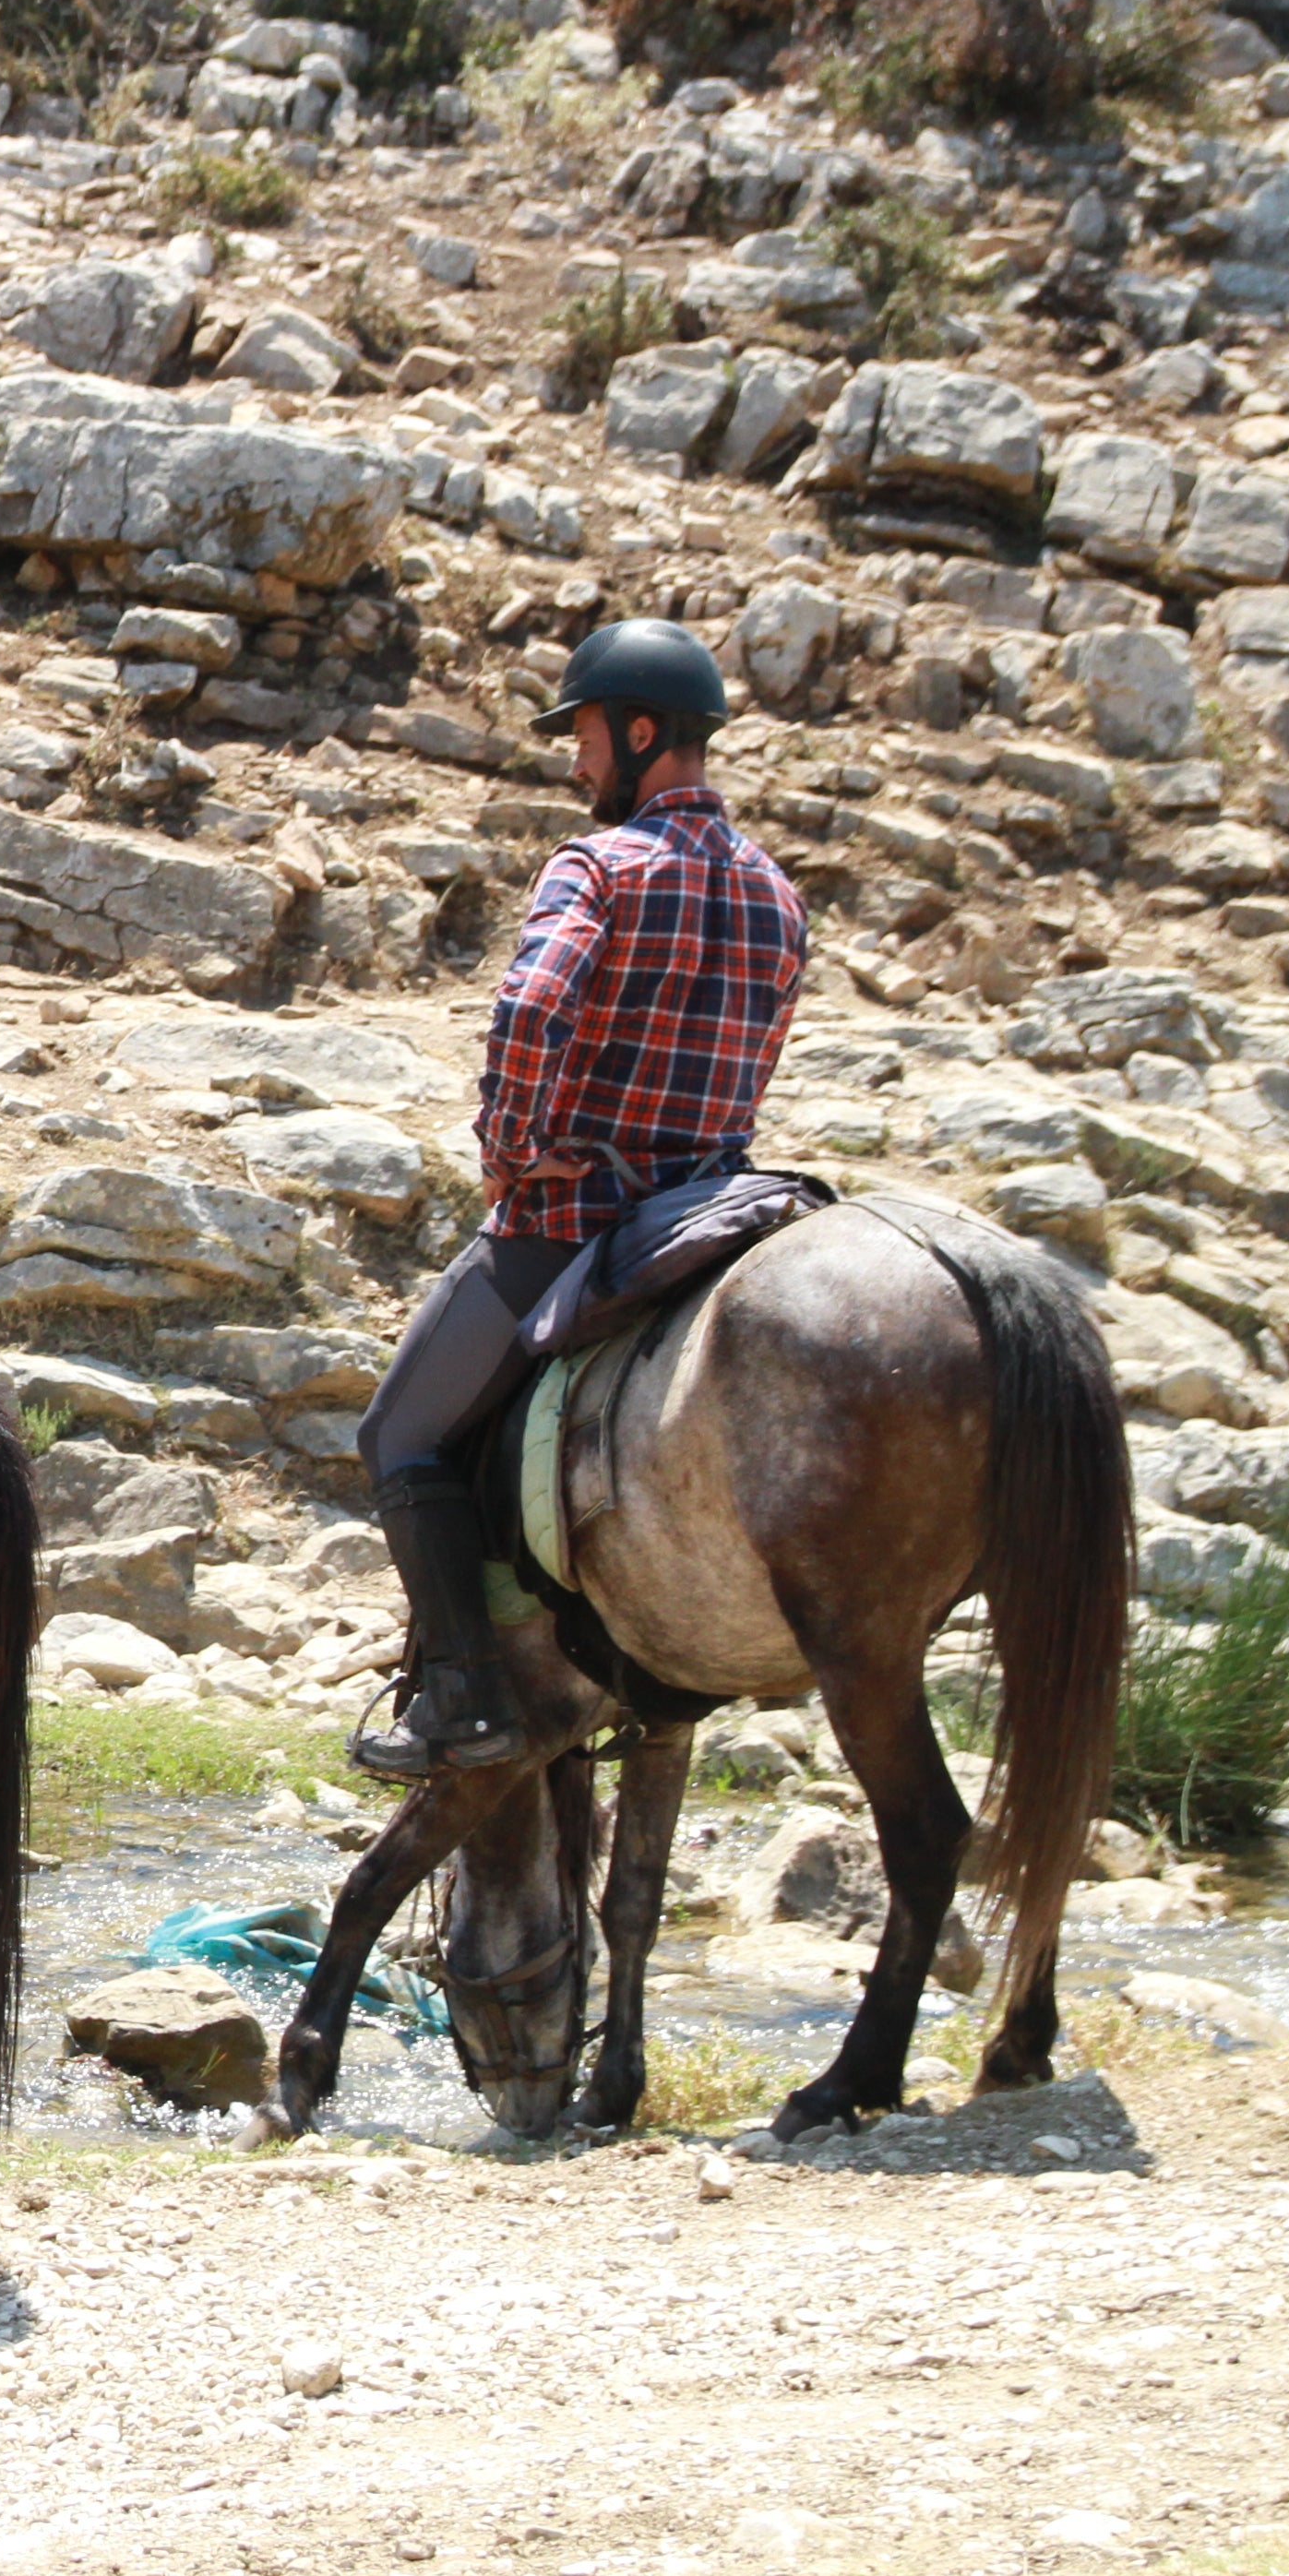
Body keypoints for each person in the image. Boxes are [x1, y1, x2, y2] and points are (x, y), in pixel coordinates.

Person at [351, 617, 807, 1779]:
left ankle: (460, 1693)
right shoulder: (777, 895)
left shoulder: (596, 866)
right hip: (710, 1219)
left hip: (573, 1227)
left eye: (589, 734)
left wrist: (512, 1151)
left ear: (643, 731)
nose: (578, 760)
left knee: (400, 1433)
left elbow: (527, 1009)